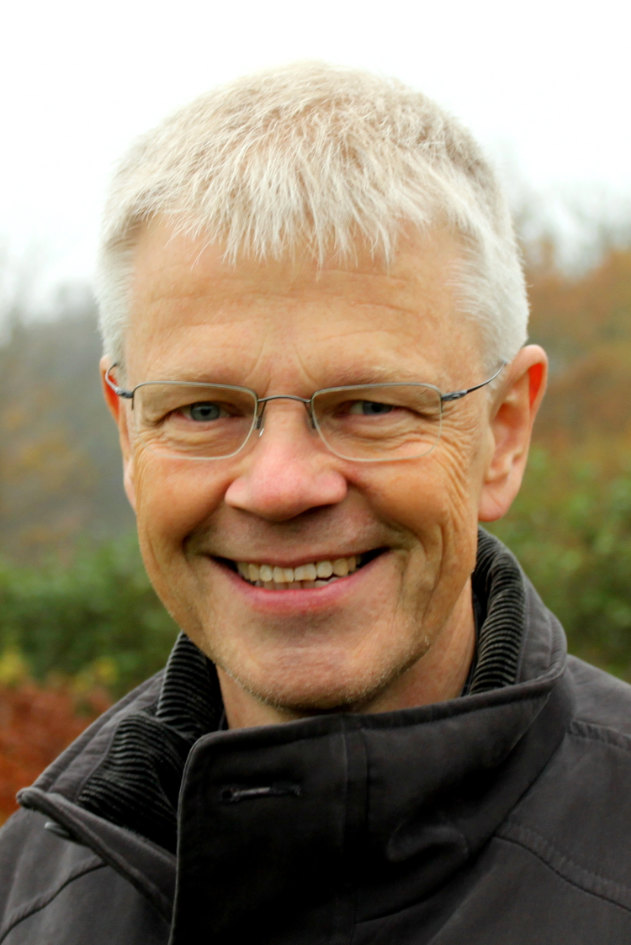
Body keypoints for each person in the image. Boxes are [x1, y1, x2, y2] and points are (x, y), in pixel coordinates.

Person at [1, 62, 631, 945]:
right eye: (204, 410)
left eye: (368, 405)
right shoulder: (25, 901)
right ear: (127, 436)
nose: (280, 485)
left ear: (504, 432)